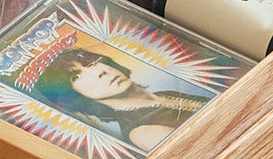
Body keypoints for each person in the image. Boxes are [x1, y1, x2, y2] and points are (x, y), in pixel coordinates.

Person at [33, 44, 201, 153]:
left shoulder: (166, 93)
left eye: (91, 63)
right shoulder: (143, 132)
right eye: (75, 77)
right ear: (73, 95)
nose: (99, 72)